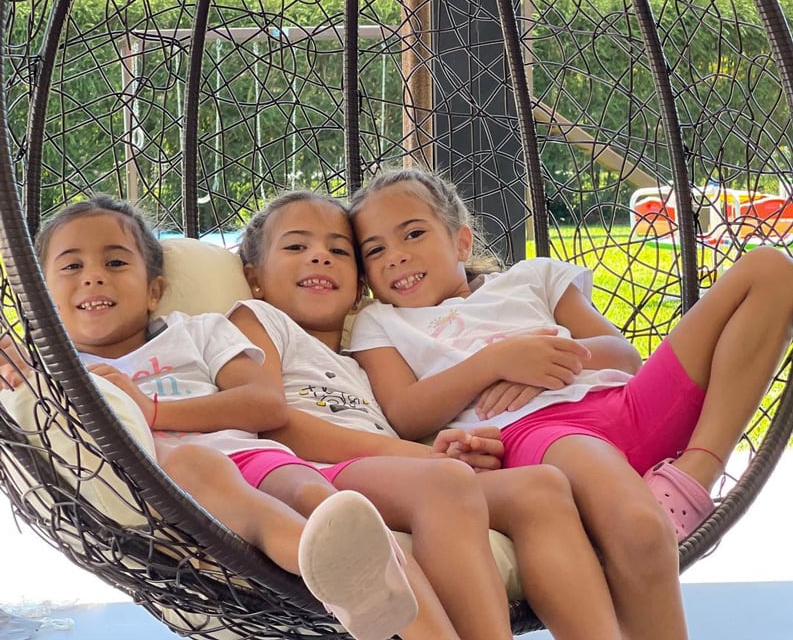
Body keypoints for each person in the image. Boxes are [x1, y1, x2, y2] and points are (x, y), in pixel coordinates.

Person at [346, 167, 793, 640]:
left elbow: (624, 354)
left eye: (413, 233)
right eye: (375, 251)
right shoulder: (382, 323)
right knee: (640, 529)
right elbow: (404, 412)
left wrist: (547, 365)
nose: (396, 256)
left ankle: (693, 475)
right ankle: (660, 506)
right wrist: (498, 361)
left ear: (461, 241)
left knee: (772, 270)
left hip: (625, 403)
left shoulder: (532, 278)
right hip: (543, 434)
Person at [0, 195, 465, 640]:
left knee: (327, 503)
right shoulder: (59, 374)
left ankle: (389, 594)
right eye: (72, 266)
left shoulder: (199, 331)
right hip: (170, 482)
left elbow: (264, 403)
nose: (94, 277)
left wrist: (155, 409)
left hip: (255, 452)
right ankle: (326, 561)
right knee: (206, 472)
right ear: (42, 296)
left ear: (154, 290)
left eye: (116, 262)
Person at [234, 190, 624, 640]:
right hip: (312, 475)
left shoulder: (367, 356)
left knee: (540, 487)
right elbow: (275, 420)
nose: (321, 257)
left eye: (338, 250)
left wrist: (450, 449)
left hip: (395, 473)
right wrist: (425, 461)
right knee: (447, 482)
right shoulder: (259, 319)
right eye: (297, 247)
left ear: (360, 283)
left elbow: (411, 421)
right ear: (254, 277)